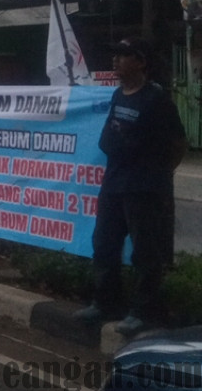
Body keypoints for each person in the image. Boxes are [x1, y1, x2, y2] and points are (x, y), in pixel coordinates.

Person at [75, 38, 188, 335]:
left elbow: (178, 143)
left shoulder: (156, 100)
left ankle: (144, 311)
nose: (116, 61)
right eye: (116, 55)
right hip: (114, 184)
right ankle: (106, 303)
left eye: (124, 55)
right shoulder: (118, 95)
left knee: (145, 253)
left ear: (140, 62)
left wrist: (159, 175)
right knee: (104, 244)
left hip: (143, 188)